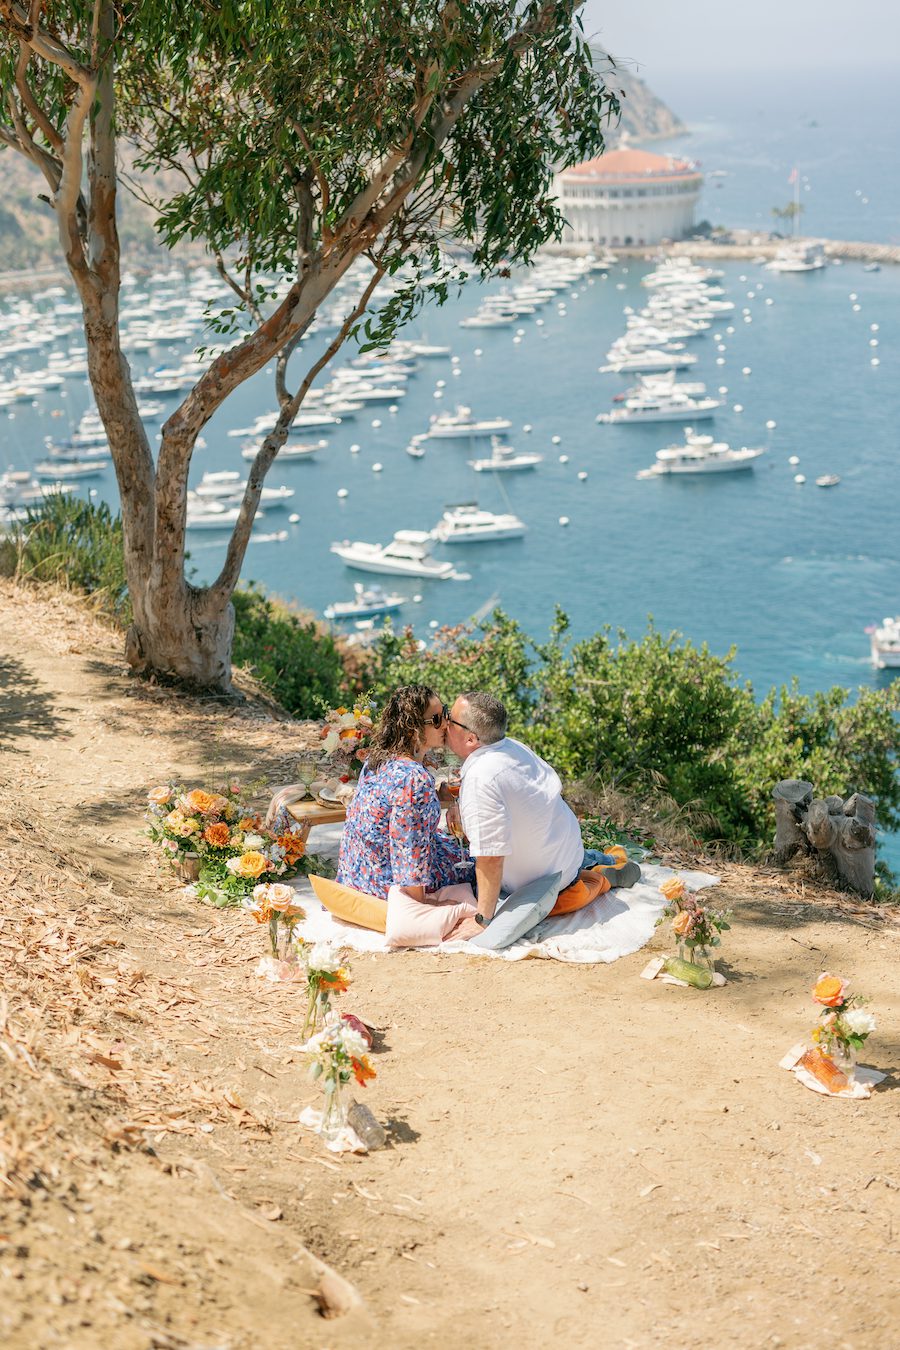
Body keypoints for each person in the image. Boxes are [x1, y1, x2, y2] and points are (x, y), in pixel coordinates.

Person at [444, 691, 639, 930]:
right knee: (580, 860)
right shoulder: (512, 748)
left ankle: (597, 878)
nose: (444, 723)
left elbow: (491, 858)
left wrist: (482, 920)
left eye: (449, 719)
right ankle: (602, 863)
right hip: (566, 854)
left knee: (456, 870)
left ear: (471, 739)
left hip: (536, 885)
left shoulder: (480, 777)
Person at [336, 684, 473, 900]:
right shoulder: (413, 779)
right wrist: (419, 907)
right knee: (478, 864)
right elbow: (409, 855)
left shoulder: (376, 760)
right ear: (413, 731)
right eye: (436, 720)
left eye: (445, 712)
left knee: (451, 843)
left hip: (359, 875)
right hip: (387, 886)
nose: (446, 723)